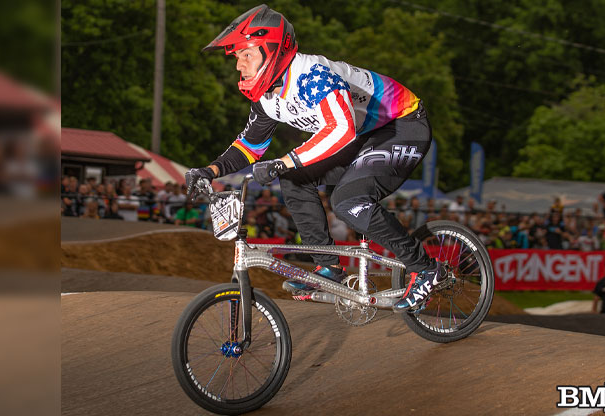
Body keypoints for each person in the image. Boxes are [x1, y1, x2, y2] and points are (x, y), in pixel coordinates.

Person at [184, 5, 445, 312]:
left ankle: (426, 268)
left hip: (401, 125)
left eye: (246, 55)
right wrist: (209, 170)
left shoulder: (313, 75)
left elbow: (342, 130)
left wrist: (286, 160)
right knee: (294, 180)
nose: (239, 66)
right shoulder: (267, 98)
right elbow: (250, 146)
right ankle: (328, 267)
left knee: (348, 201)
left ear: (271, 51)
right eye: (238, 58)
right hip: (365, 134)